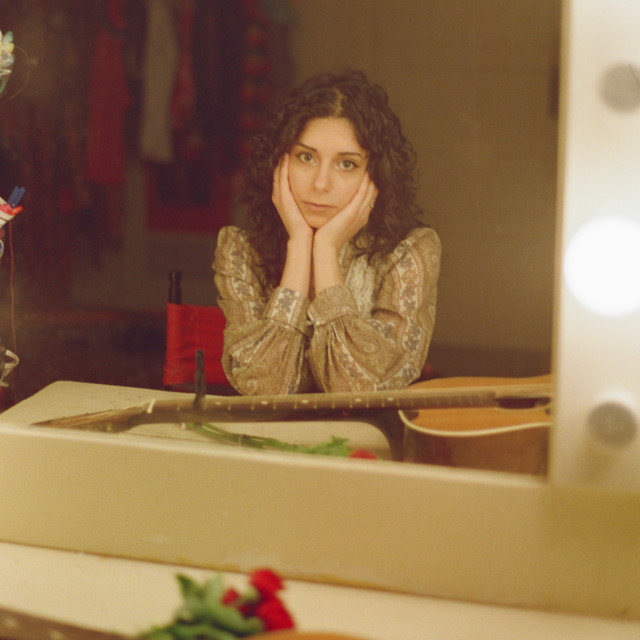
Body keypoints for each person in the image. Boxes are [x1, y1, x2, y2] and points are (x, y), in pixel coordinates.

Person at [213, 70, 441, 395]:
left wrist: (325, 250)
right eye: (306, 157)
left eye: (346, 164)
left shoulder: (411, 250)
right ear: (280, 163)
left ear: (376, 175)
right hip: (269, 429)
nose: (320, 184)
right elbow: (264, 388)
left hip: (369, 429)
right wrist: (299, 245)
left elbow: (358, 389)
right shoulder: (240, 249)